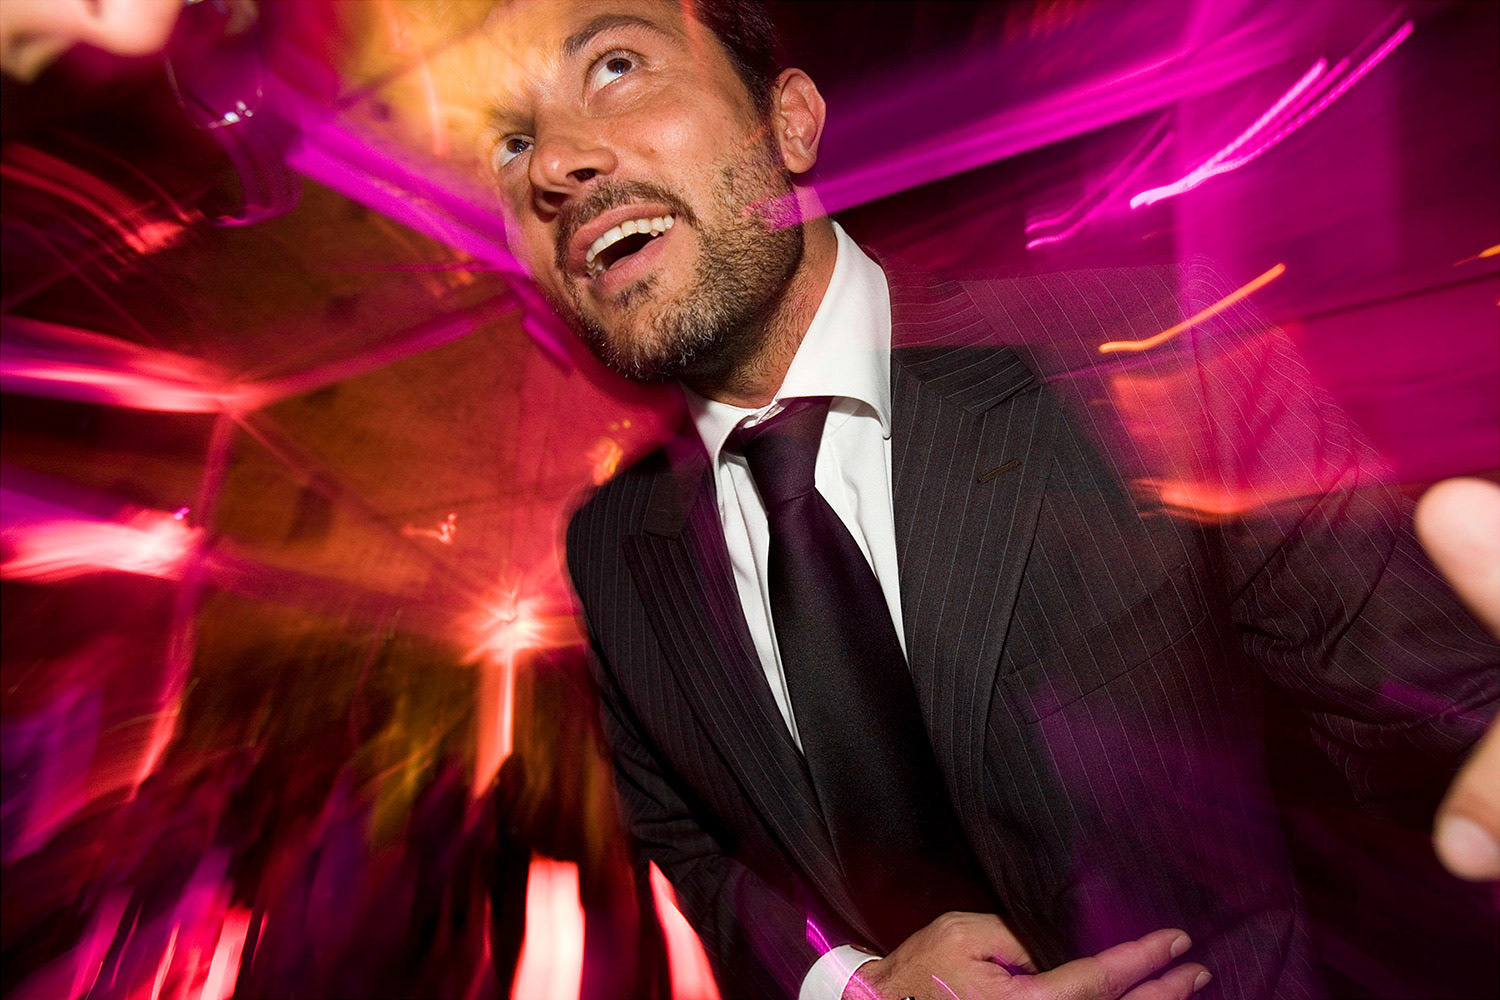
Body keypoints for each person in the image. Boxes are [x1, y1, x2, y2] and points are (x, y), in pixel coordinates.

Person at [475, 2, 1500, 998]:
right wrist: (849, 983)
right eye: (512, 144)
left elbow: (1437, 714)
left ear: (787, 122)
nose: (553, 164)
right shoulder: (611, 544)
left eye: (615, 66)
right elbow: (697, 852)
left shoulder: (1148, 351)